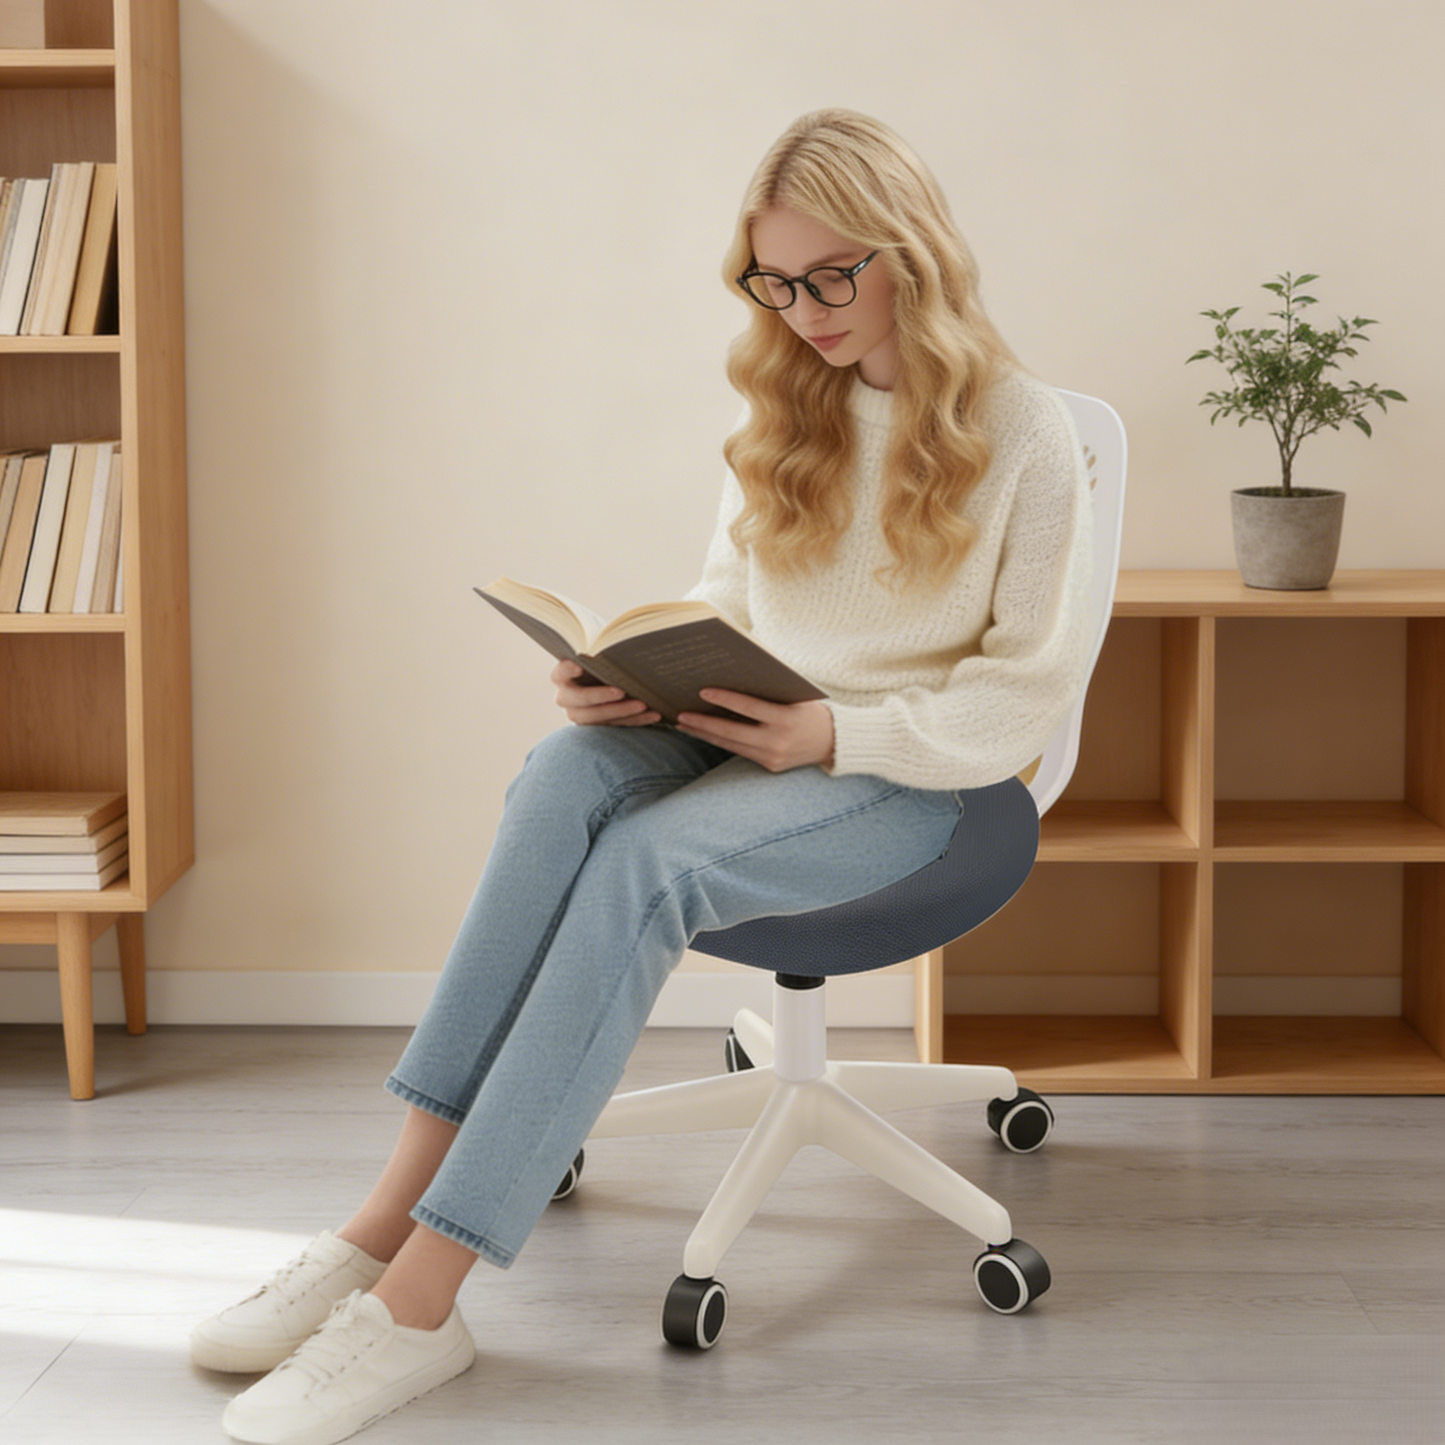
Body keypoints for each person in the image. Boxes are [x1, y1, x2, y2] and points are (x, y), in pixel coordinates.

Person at [196, 107, 1095, 1445]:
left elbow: (1026, 691)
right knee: (566, 772)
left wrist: (840, 737)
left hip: (929, 778)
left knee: (647, 860)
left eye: (831, 276)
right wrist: (628, 680)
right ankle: (383, 1221)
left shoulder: (1025, 432)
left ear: (911, 252)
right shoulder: (785, 409)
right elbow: (729, 596)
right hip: (769, 725)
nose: (803, 312)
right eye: (774, 284)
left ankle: (424, 1306)